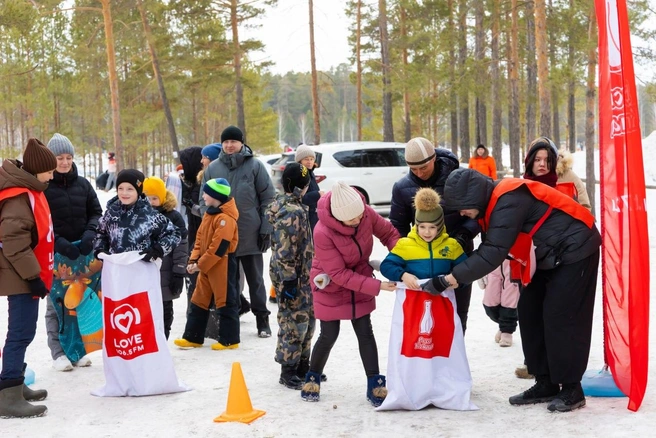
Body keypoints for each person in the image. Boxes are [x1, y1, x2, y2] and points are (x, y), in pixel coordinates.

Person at [426, 167, 601, 413]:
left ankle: (572, 388)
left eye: (463, 207)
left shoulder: (508, 199)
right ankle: (545, 381)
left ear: (474, 197)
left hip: (576, 247)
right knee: (529, 311)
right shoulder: (493, 202)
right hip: (546, 254)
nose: (463, 213)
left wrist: (448, 280)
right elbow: (491, 245)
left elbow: (492, 253)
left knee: (562, 316)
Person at [300, 181, 400, 407]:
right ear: (337, 216)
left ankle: (375, 381)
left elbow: (388, 233)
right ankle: (312, 377)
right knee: (328, 334)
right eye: (351, 219)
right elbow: (338, 273)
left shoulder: (364, 213)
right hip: (330, 283)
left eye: (359, 216)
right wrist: (378, 286)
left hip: (360, 278)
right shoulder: (323, 231)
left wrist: (401, 257)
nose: (358, 221)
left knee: (365, 331)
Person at [389, 137, 479, 332]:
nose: (420, 173)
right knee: (425, 319)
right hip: (422, 260)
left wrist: (464, 236)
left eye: (424, 167)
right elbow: (398, 225)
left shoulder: (459, 179)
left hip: (457, 255)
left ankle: (454, 358)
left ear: (434, 159)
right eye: (414, 169)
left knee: (456, 315)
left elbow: (477, 213)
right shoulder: (402, 188)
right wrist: (406, 254)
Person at [199, 125, 275, 338]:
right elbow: (202, 200)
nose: (230, 145)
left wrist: (265, 229)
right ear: (221, 144)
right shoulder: (212, 169)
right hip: (223, 236)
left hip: (250, 232)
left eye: (234, 141)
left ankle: (263, 320)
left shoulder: (255, 166)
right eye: (226, 142)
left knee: (256, 281)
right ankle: (230, 320)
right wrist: (212, 221)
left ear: (242, 143)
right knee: (227, 282)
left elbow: (268, 198)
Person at [0, 138, 57, 418]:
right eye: (49, 170)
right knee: (20, 333)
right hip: (19, 276)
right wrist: (33, 276)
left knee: (24, 332)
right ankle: (7, 393)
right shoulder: (17, 196)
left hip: (24, 274)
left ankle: (15, 385)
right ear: (36, 170)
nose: (53, 174)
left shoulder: (28, 190)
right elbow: (12, 242)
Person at [44, 133, 103, 371]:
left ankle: (77, 350)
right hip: (56, 254)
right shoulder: (44, 187)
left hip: (82, 252)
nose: (65, 162)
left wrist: (91, 233)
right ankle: (58, 352)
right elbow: (41, 223)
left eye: (68, 157)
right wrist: (58, 242)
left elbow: (96, 212)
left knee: (80, 300)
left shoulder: (83, 184)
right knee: (57, 303)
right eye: (60, 157)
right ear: (51, 159)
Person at [174, 178, 240, 350]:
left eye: (206, 193)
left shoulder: (226, 219)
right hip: (205, 264)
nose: (202, 195)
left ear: (215, 196)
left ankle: (229, 340)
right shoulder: (209, 215)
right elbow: (199, 240)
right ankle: (193, 337)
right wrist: (193, 260)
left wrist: (199, 265)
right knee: (199, 299)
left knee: (225, 300)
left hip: (222, 264)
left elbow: (219, 248)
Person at [266, 163, 315, 390]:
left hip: (302, 274)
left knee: (307, 319)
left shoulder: (295, 207)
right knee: (293, 322)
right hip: (291, 276)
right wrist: (288, 279)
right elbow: (284, 249)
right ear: (295, 187)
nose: (306, 190)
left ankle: (304, 365)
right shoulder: (291, 211)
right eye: (304, 186)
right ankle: (289, 370)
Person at [93, 169, 181, 263]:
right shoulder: (111, 213)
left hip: (141, 270)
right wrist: (100, 248)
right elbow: (101, 233)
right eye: (120, 188)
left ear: (138, 191)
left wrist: (157, 250)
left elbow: (174, 234)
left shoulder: (149, 214)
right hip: (115, 271)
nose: (124, 193)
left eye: (130, 189)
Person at [143, 176, 189, 339]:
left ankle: (163, 339)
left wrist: (178, 272)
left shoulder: (173, 216)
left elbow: (181, 246)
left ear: (162, 197)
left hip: (167, 272)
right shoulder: (139, 216)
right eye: (146, 198)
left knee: (164, 310)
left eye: (154, 198)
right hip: (145, 272)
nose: (150, 202)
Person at [179, 147, 203, 309]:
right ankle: (193, 306)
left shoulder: (202, 182)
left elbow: (204, 209)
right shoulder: (188, 181)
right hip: (191, 232)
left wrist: (189, 203)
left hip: (201, 232)